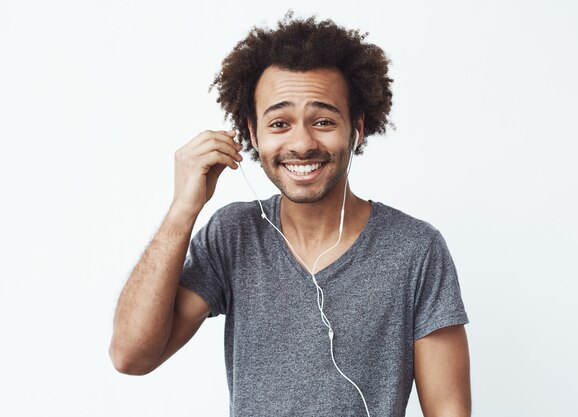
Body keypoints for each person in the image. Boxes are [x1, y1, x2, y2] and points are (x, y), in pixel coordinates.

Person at [109, 12, 471, 417]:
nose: (301, 142)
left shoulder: (416, 250)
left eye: (323, 121)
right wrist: (183, 210)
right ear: (252, 132)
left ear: (357, 128)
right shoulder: (232, 235)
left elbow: (449, 410)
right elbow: (131, 356)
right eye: (279, 123)